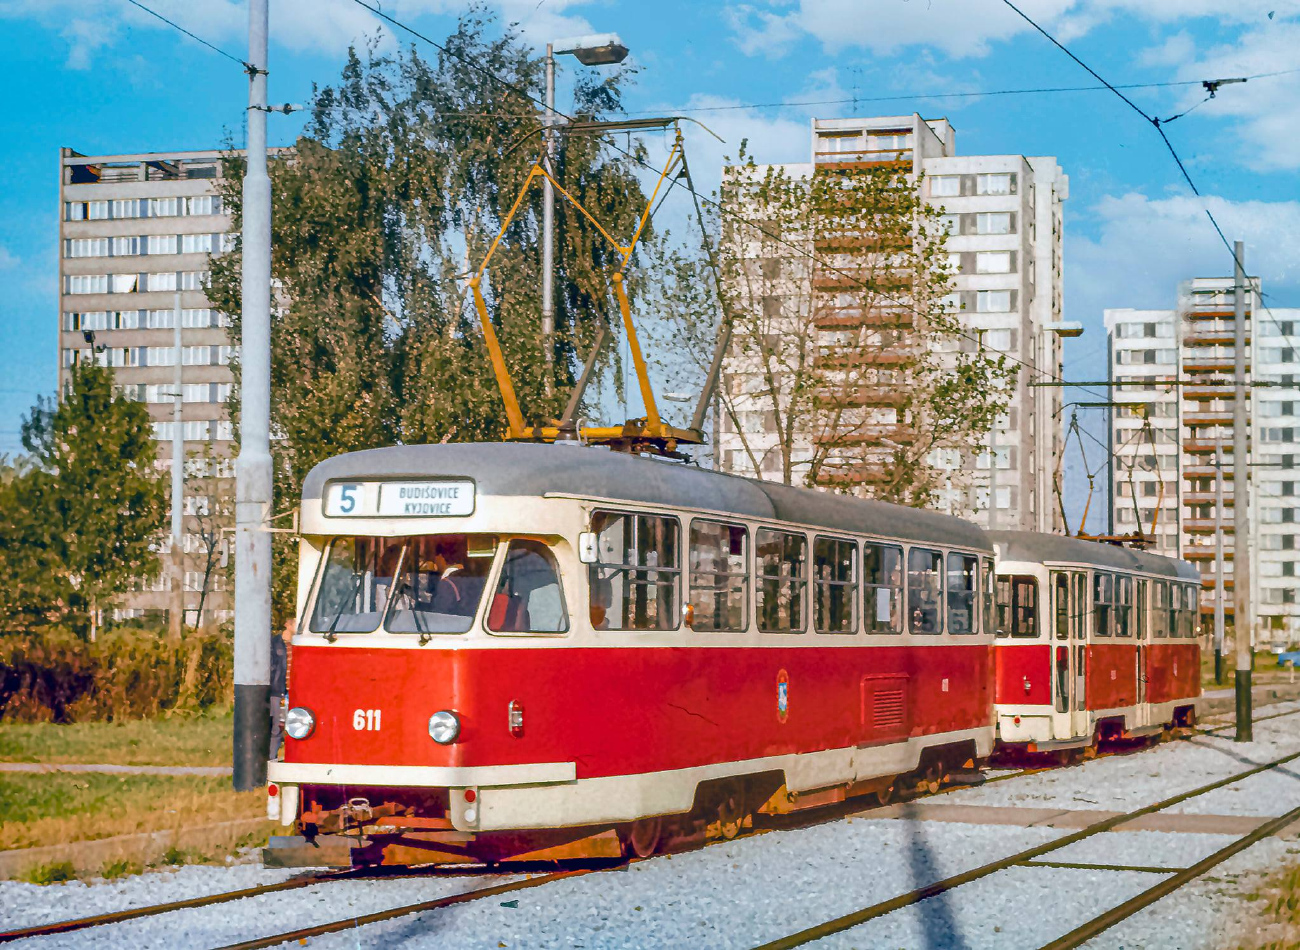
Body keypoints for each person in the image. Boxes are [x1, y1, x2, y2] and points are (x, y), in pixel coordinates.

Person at [269, 618, 293, 759]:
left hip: (293, 691)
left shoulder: (297, 645)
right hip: (279, 690)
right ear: (287, 624)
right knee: (277, 727)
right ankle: (271, 759)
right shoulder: (275, 644)